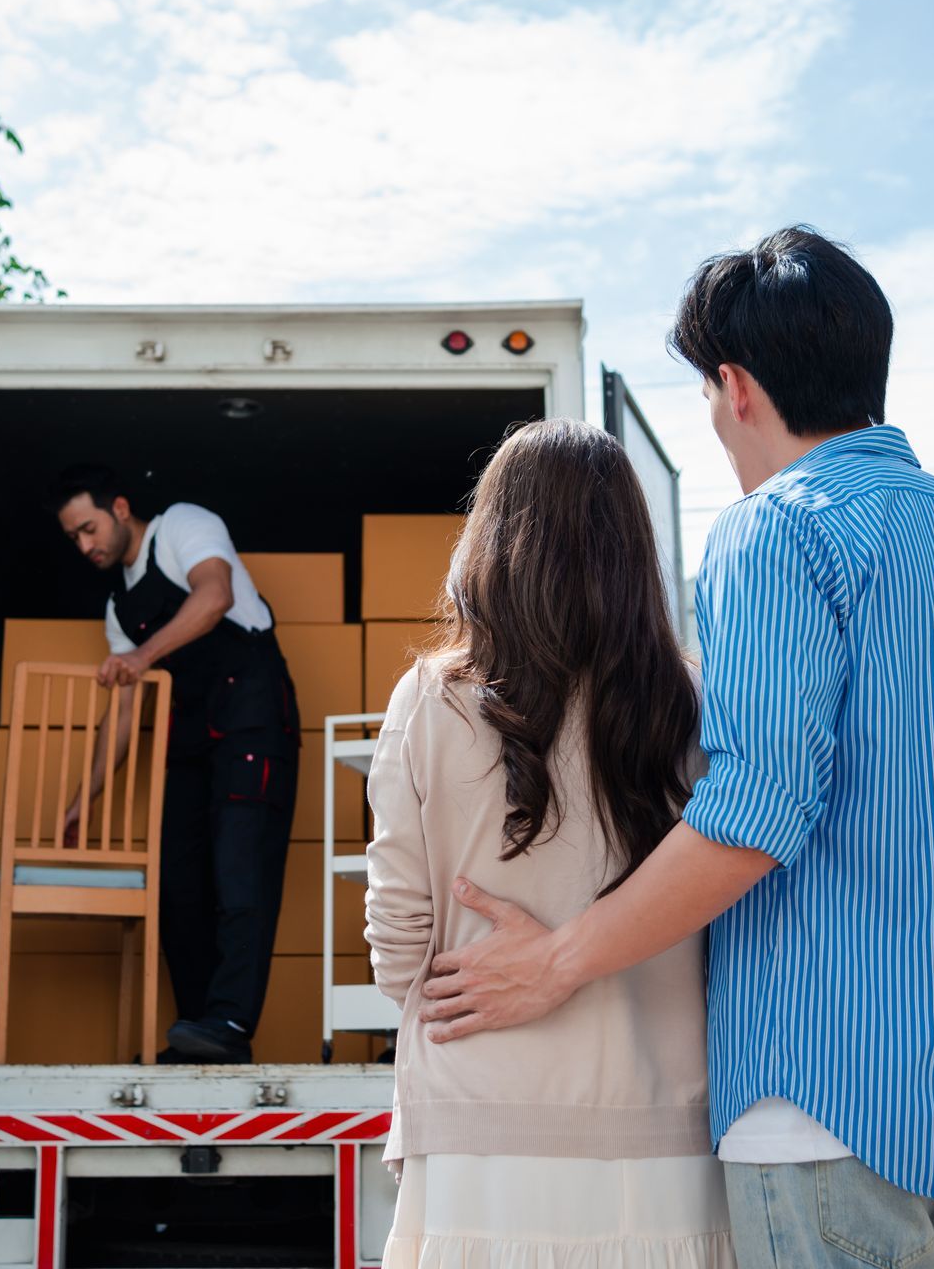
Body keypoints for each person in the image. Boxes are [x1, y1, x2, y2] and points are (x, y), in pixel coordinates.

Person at [417, 228, 934, 1267]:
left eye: (705, 391)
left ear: (734, 386)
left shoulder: (775, 528)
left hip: (830, 1093)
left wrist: (558, 961)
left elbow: (756, 809)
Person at [365, 421, 735, 1268]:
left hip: (477, 1130)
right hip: (666, 1136)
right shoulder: (701, 701)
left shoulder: (430, 697)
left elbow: (397, 953)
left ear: (490, 537)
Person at [52, 465, 300, 1064]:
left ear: (118, 507)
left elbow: (214, 596)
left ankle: (230, 1022)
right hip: (189, 742)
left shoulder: (182, 526)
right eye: (74, 539)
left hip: (251, 720)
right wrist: (83, 799)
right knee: (179, 885)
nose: (86, 546)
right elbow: (125, 711)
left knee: (241, 874)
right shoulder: (120, 606)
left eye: (89, 528)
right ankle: (200, 1031)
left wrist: (142, 654)